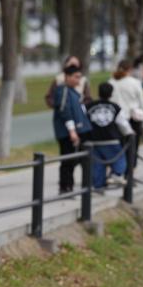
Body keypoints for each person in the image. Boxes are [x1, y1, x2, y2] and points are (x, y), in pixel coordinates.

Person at [85, 82, 134, 189]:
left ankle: (98, 186)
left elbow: (84, 121)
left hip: (94, 141)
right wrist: (130, 133)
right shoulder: (115, 107)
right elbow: (123, 124)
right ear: (111, 94)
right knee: (120, 159)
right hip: (111, 140)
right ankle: (116, 175)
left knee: (97, 165)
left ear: (98, 92)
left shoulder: (88, 106)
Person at [53, 65, 92, 195]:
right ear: (67, 77)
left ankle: (83, 187)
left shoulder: (74, 91)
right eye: (76, 77)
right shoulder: (62, 91)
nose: (78, 80)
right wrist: (72, 131)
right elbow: (65, 111)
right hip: (68, 134)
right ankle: (65, 187)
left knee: (81, 160)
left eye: (80, 77)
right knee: (68, 161)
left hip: (81, 130)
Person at [109, 60, 143, 168]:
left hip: (116, 119)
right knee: (133, 148)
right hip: (133, 118)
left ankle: (119, 169)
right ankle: (130, 171)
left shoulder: (111, 82)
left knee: (120, 146)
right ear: (130, 70)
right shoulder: (135, 83)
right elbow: (142, 103)